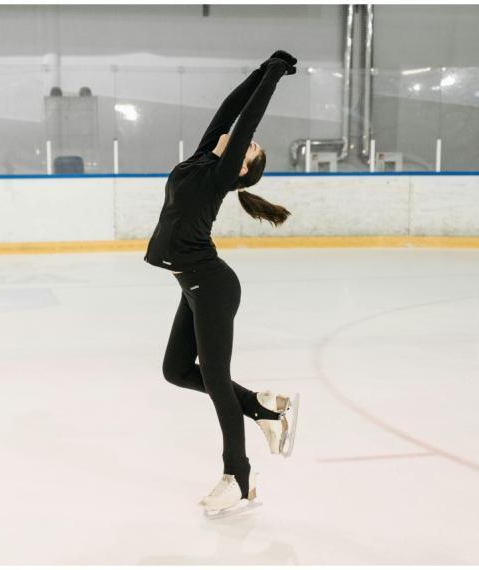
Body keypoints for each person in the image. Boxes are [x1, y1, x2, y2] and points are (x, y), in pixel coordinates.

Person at [143, 50, 301, 519]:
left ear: (240, 170)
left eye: (249, 150)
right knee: (176, 370)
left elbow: (247, 119)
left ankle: (239, 477)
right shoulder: (201, 159)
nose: (246, 143)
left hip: (211, 286)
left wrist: (273, 76)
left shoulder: (217, 175)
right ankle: (260, 406)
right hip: (194, 284)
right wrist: (256, 70)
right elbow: (228, 113)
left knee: (213, 379)